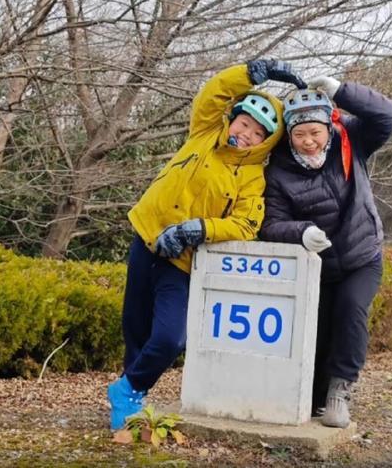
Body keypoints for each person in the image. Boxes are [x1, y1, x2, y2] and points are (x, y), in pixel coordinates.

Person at [107, 60, 306, 431]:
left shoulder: (252, 177)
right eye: (244, 123)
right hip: (146, 235)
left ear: (267, 142)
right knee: (135, 326)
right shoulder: (204, 132)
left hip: (180, 262)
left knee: (169, 337)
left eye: (258, 132)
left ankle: (127, 388)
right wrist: (254, 71)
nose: (247, 133)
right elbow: (214, 91)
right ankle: (131, 399)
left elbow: (246, 224)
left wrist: (197, 230)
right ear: (233, 119)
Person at [259, 75, 392, 428]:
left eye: (315, 133)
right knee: (314, 330)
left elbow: (386, 117)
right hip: (317, 265)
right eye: (300, 134)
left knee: (351, 310)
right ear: (288, 134)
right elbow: (271, 224)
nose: (308, 142)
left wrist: (341, 91)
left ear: (328, 125)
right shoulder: (278, 170)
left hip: (361, 256)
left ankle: (340, 391)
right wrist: (301, 231)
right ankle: (314, 396)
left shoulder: (350, 139)